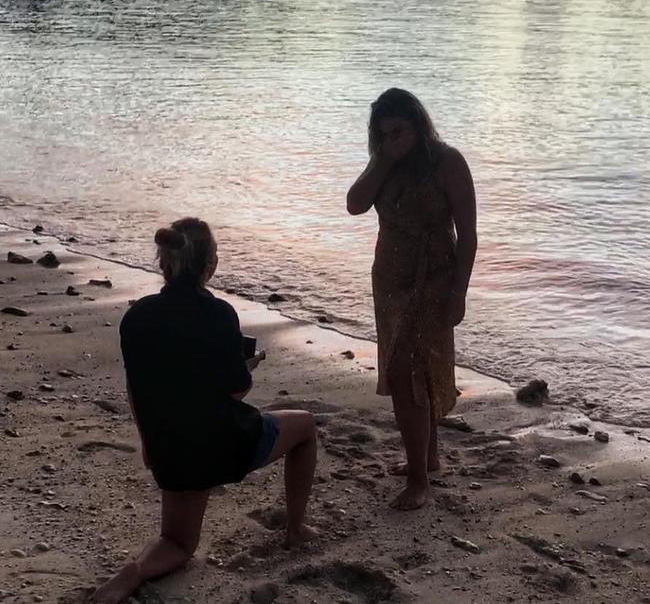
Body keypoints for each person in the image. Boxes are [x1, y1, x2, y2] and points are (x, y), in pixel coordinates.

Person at [91, 217, 317, 604]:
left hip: (167, 443)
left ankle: (137, 570)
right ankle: (296, 528)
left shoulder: (137, 316)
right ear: (209, 265)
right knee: (306, 427)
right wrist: (246, 367)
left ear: (163, 262)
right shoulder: (219, 314)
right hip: (219, 443)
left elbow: (137, 389)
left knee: (177, 542)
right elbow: (236, 390)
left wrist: (148, 441)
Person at [347, 88, 477, 511]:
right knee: (405, 367)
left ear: (418, 125)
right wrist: (383, 160)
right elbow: (354, 205)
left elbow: (469, 235)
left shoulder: (448, 161)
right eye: (383, 135)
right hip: (389, 278)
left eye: (399, 131)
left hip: (434, 277)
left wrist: (459, 291)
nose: (392, 140)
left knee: (409, 372)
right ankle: (429, 458)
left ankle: (419, 479)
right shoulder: (384, 161)